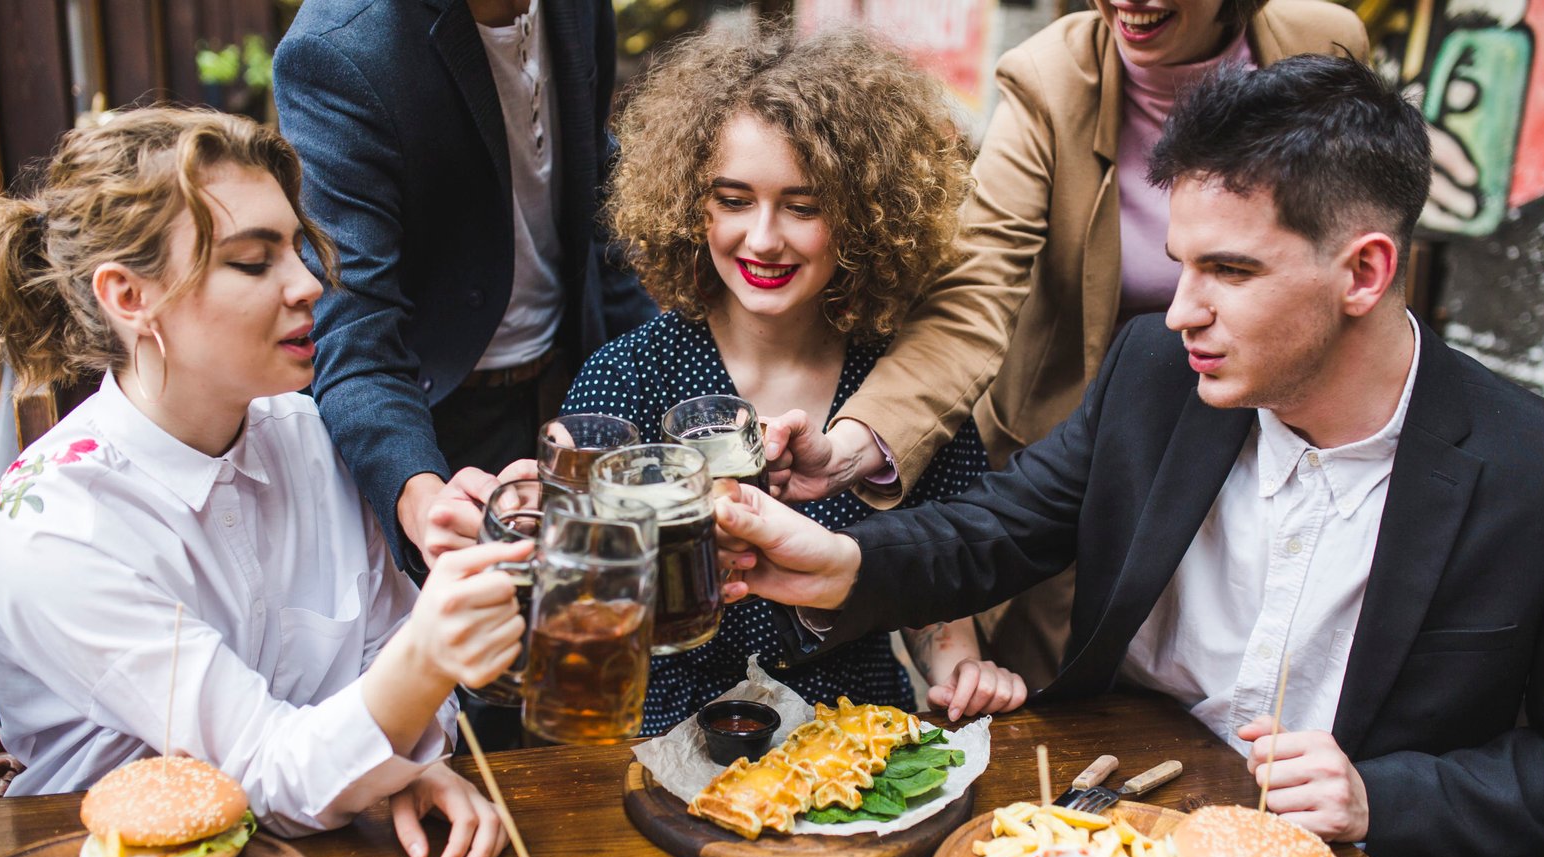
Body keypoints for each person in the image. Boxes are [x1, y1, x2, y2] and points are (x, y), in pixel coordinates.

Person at [713, 56, 1544, 857]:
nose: (1182, 311)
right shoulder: (1155, 370)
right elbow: (997, 529)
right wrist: (842, 564)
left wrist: (1382, 796)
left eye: (1229, 270)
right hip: (1110, 839)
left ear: (1365, 272)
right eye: (1181, 265)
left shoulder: (1532, 469)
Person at [0, 109, 528, 857]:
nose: (309, 285)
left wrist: (402, 768)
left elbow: (390, 669)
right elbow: (265, 771)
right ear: (129, 294)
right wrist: (424, 663)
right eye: (255, 262)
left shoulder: (306, 433)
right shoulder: (56, 529)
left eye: (296, 248)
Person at [763, 0, 1367, 685]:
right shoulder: (1049, 78)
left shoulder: (1324, 39)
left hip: (1275, 440)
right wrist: (848, 452)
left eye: (1226, 269)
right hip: (1085, 450)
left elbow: (1354, 233)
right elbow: (973, 291)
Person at [560, 29, 1027, 734]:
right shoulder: (625, 377)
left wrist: (960, 671)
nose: (763, 238)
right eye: (733, 200)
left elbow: (936, 595)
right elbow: (578, 606)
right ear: (690, 204)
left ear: (865, 218)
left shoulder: (905, 388)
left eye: (803, 207)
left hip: (860, 743)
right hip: (667, 742)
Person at [273, 0, 656, 577]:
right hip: (440, 427)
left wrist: (653, 367)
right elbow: (354, 334)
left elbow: (596, 196)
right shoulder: (338, 50)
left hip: (582, 385)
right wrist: (423, 497)